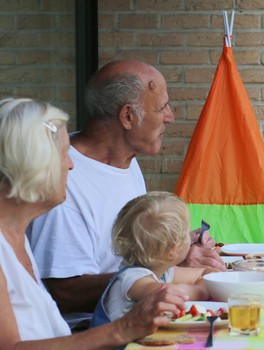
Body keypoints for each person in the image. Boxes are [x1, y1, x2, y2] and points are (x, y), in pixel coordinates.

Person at [26, 60, 226, 330]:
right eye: (161, 107)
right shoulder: (64, 176)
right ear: (128, 117)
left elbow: (130, 252)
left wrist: (169, 246)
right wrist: (163, 267)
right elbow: (65, 291)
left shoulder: (126, 161)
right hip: (91, 333)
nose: (170, 116)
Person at [0, 98, 188, 348]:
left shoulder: (16, 235)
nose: (71, 164)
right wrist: (125, 327)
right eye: (63, 154)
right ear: (31, 163)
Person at [91, 191, 216, 327]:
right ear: (173, 249)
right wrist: (203, 290)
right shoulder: (132, 279)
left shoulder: (164, 271)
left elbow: (207, 273)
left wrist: (208, 281)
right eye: (186, 233)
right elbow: (166, 293)